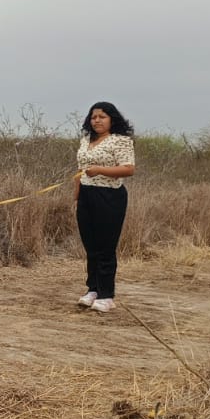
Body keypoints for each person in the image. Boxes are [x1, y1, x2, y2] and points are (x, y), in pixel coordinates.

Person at [74, 101, 136, 313]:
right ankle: (93, 289)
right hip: (86, 194)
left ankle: (106, 295)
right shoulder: (86, 140)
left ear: (112, 119)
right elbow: (80, 170)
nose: (97, 121)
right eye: (93, 117)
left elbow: (128, 169)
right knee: (90, 245)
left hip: (109, 195)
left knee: (105, 246)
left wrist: (100, 169)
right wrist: (77, 197)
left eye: (102, 117)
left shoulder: (120, 140)